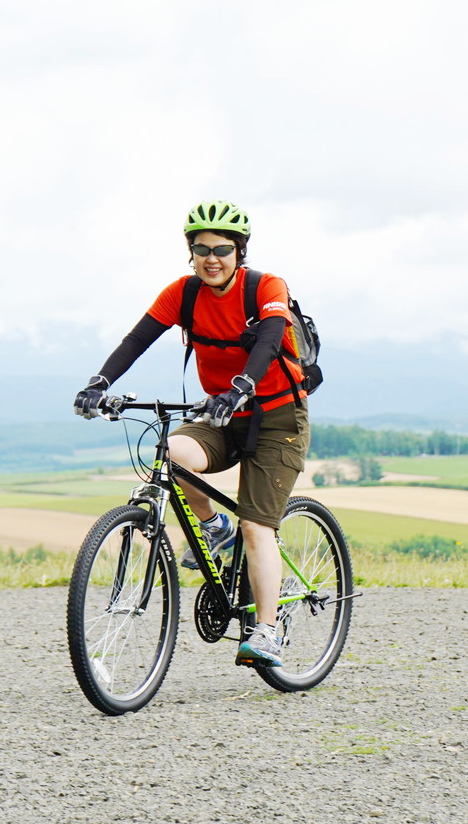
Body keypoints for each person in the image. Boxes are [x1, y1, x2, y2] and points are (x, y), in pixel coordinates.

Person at [73, 199, 310, 665]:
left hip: (278, 418)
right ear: (191, 252)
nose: (211, 258)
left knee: (257, 525)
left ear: (239, 251)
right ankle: (212, 527)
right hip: (220, 415)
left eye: (222, 248)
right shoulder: (182, 294)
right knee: (172, 451)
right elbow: (137, 339)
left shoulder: (265, 287)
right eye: (201, 249)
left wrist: (243, 385)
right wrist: (99, 383)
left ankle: (266, 631)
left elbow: (268, 339)